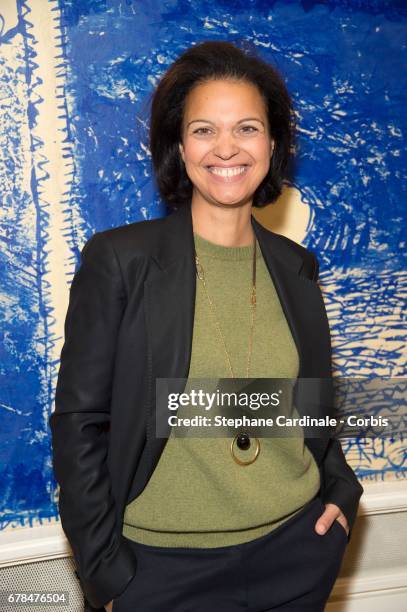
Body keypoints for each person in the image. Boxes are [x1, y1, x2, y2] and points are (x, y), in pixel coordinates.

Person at [49, 40, 364, 612]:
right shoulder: (121, 261)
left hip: (295, 556)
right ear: (178, 145)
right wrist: (107, 575)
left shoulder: (297, 269)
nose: (227, 148)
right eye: (203, 130)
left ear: (272, 144)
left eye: (247, 128)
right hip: (160, 574)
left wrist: (342, 493)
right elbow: (80, 423)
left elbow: (306, 408)